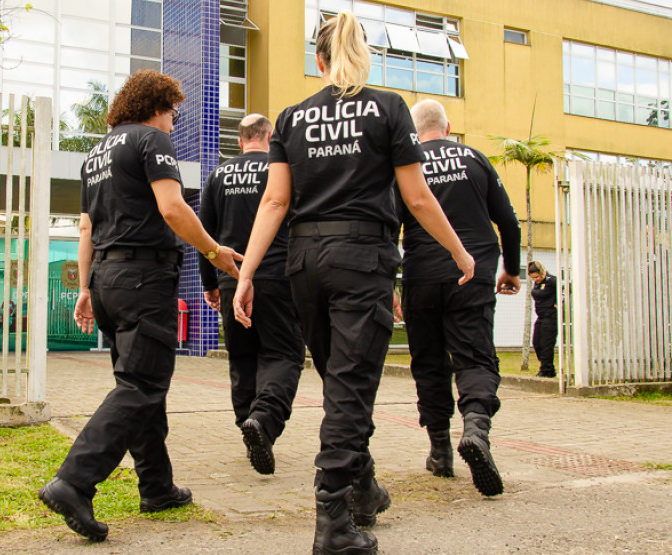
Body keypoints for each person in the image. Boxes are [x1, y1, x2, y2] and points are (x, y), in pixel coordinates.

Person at [232, 12, 475, 555]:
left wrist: (247, 271)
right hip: (361, 257)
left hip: (303, 262)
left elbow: (274, 202)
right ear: (364, 56)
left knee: (339, 382)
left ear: (318, 61)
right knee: (349, 389)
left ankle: (364, 493)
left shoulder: (291, 118)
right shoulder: (388, 108)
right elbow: (416, 197)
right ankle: (332, 523)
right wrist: (459, 250)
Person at [38, 69, 242, 542]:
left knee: (141, 383)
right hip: (142, 280)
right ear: (156, 105)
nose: (173, 122)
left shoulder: (96, 154)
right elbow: (173, 208)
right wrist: (215, 252)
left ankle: (156, 486)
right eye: (173, 112)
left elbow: (87, 226)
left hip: (107, 280)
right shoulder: (151, 140)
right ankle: (74, 481)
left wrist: (86, 288)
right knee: (142, 385)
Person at [398, 99, 521, 497]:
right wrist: (512, 269)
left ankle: (440, 452)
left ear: (415, 132)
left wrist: (390, 283)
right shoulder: (475, 159)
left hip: (421, 277)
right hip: (472, 275)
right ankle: (475, 430)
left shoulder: (405, 163)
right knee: (475, 357)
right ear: (447, 127)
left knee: (429, 363)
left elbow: (388, 224)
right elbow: (508, 221)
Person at [198, 114, 305, 475]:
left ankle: (248, 423)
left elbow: (206, 235)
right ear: (269, 136)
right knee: (284, 353)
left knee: (242, 357)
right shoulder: (280, 168)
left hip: (232, 277)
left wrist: (210, 283)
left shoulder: (217, 175)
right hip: (278, 275)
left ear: (240, 140)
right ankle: (264, 420)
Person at [528, 261, 558, 378]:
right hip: (541, 317)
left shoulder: (552, 281)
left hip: (550, 317)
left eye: (537, 277)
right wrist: (538, 292)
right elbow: (537, 294)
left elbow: (542, 294)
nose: (536, 280)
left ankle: (547, 370)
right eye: (533, 278)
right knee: (537, 343)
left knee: (546, 344)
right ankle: (546, 366)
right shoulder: (537, 285)